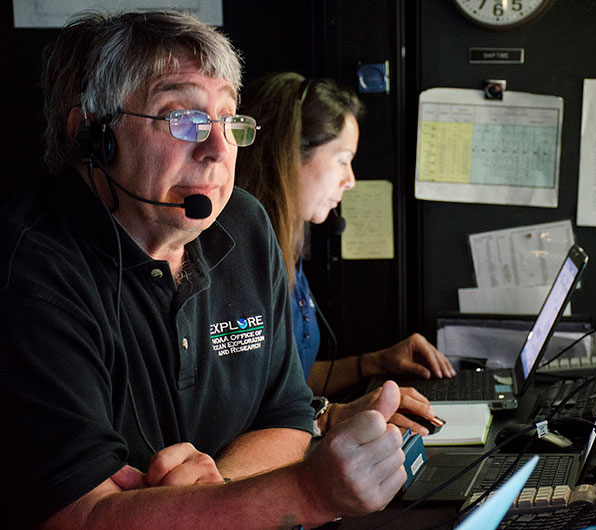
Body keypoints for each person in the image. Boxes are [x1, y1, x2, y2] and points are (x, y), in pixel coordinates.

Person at [0, 10, 407, 529]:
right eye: (182, 118)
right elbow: (82, 516)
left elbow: (286, 417)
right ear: (92, 136)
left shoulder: (245, 223)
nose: (218, 149)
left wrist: (219, 495)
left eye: (229, 120)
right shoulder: (32, 271)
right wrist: (306, 493)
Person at [236, 72, 456, 435]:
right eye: (341, 159)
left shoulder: (286, 250)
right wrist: (334, 416)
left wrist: (371, 364)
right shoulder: (242, 263)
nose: (350, 179)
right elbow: (247, 411)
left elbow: (292, 379)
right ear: (289, 152)